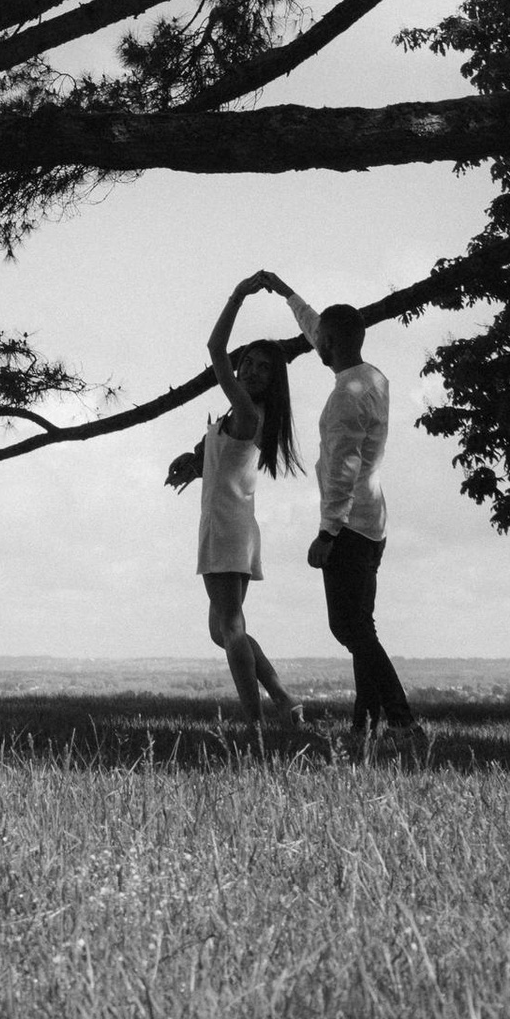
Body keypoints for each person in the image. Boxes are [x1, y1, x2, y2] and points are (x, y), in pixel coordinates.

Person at [271, 278, 417, 741]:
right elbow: (321, 328)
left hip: (350, 526)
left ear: (330, 344)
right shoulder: (372, 378)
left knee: (349, 629)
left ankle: (400, 719)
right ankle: (364, 723)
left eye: (321, 341)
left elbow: (341, 470)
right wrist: (286, 294)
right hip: (375, 523)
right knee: (362, 626)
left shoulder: (345, 397)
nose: (316, 344)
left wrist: (327, 533)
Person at [165, 273, 304, 736]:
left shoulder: (247, 411)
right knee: (223, 629)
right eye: (251, 363)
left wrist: (239, 294)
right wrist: (195, 461)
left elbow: (215, 351)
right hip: (228, 527)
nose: (252, 370)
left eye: (265, 368)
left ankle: (257, 723)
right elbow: (224, 464)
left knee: (231, 628)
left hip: (227, 529)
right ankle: (284, 701)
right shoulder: (237, 417)